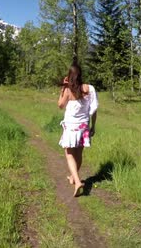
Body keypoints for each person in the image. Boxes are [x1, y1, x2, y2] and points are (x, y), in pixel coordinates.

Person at [57, 63, 98, 197]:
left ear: (69, 76)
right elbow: (94, 109)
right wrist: (93, 126)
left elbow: (60, 106)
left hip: (71, 126)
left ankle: (77, 181)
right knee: (79, 153)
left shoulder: (68, 90)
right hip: (84, 125)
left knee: (69, 154)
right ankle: (74, 177)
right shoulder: (89, 88)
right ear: (80, 75)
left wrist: (63, 88)